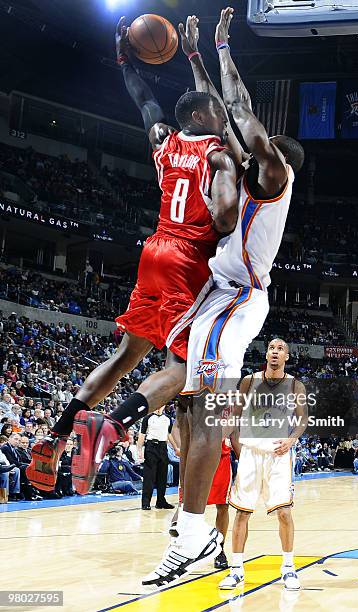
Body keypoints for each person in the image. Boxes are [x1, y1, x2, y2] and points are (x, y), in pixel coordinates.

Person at [26, 15, 239, 495]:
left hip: (154, 249)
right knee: (183, 367)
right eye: (219, 116)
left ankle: (58, 435)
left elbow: (142, 98)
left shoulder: (163, 141)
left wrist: (124, 56)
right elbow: (225, 218)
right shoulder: (216, 152)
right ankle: (115, 425)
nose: (225, 121)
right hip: (188, 258)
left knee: (125, 356)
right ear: (205, 117)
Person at [141, 8, 304, 587]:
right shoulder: (252, 170)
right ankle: (197, 532)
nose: (252, 141)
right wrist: (191, 58)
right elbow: (223, 114)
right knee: (187, 402)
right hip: (215, 291)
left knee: (208, 404)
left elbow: (237, 112)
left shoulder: (274, 175)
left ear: (278, 160)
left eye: (263, 144)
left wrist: (222, 49)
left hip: (240, 299)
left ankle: (189, 534)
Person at [219, 339, 307, 591]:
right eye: (271, 348)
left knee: (284, 512)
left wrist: (291, 440)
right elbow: (234, 416)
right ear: (266, 354)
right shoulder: (249, 381)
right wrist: (219, 440)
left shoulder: (295, 385)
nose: (275, 352)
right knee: (242, 512)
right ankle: (236, 570)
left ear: (287, 356)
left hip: (279, 455)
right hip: (250, 453)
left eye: (280, 349)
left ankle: (288, 568)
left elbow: (302, 420)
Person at [137, 406, 177, 510]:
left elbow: (168, 434)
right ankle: (145, 502)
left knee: (162, 477)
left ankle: (161, 501)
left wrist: (176, 447)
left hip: (163, 447)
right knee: (149, 477)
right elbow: (142, 435)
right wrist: (139, 450)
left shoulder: (168, 419)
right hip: (151, 447)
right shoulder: (147, 418)